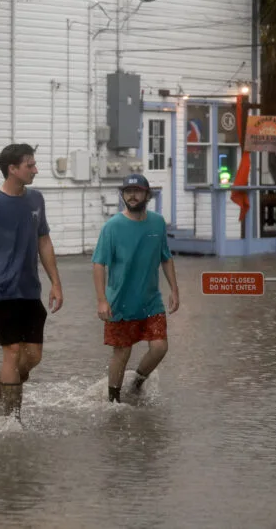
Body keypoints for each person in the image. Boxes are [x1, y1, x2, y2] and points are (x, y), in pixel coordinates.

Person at [0, 143, 64, 418]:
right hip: (1, 289)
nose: (35, 170)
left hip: (30, 289)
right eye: (30, 165)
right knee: (11, 350)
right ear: (12, 169)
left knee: (33, 356)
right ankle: (12, 420)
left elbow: (44, 242)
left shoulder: (36, 200)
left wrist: (56, 283)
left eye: (34, 164)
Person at [92, 173, 180, 403]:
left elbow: (166, 257)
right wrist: (102, 300)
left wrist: (175, 290)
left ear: (147, 195)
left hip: (151, 301)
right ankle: (113, 400)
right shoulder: (112, 227)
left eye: (137, 191)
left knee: (160, 347)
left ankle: (137, 383)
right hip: (119, 302)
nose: (132, 196)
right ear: (123, 195)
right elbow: (98, 263)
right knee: (122, 352)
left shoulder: (157, 222)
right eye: (128, 191)